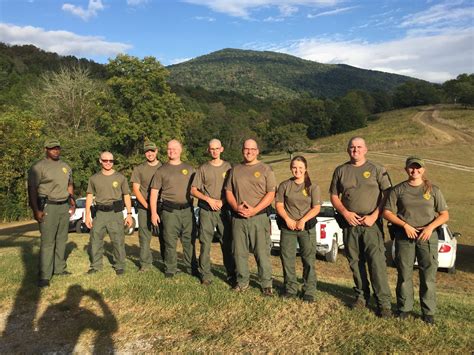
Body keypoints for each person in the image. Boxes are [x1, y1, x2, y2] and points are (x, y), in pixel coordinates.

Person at [329, 136, 392, 317]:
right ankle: (361, 297)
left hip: (371, 224)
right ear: (348, 150)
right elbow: (334, 196)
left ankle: (384, 303)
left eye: (358, 147)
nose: (355, 150)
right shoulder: (341, 170)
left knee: (377, 263)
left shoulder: (376, 169)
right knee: (355, 262)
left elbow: (387, 194)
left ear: (365, 149)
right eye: (352, 147)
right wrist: (345, 213)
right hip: (350, 224)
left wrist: (374, 215)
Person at [383, 156, 448, 325]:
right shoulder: (398, 190)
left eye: (418, 168)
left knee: (428, 275)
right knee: (404, 274)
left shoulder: (433, 190)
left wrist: (430, 228)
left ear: (423, 170)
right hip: (405, 236)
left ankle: (428, 311)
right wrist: (405, 225)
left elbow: (444, 214)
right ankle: (404, 308)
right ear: (406, 169)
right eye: (411, 167)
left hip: (427, 237)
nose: (415, 170)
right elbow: (387, 212)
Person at [225, 139, 276, 296]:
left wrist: (255, 210)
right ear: (242, 150)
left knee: (261, 252)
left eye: (252, 149)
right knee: (239, 252)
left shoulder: (266, 169)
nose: (249, 151)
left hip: (259, 218)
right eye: (246, 149)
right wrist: (236, 207)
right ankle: (242, 282)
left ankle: (266, 284)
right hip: (238, 218)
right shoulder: (235, 169)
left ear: (257, 151)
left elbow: (271, 193)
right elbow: (228, 192)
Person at [28, 139, 75, 288]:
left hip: (63, 206)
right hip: (48, 206)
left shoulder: (65, 166)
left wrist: (72, 201)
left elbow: (70, 185)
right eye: (52, 148)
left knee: (62, 239)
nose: (55, 151)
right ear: (46, 149)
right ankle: (45, 275)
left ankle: (59, 268)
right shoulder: (38, 167)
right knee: (48, 242)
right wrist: (36, 210)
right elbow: (32, 190)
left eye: (57, 148)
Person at [275, 156, 321, 303]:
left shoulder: (313, 187)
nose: (297, 170)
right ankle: (290, 289)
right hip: (288, 227)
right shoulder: (284, 185)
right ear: (291, 168)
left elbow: (316, 208)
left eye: (300, 168)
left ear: (306, 169)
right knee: (287, 259)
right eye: (294, 167)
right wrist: (288, 219)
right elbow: (279, 205)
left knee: (308, 260)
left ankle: (309, 290)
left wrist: (303, 220)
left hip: (306, 228)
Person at [191, 139, 236, 286]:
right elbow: (193, 190)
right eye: (212, 149)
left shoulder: (228, 167)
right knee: (205, 243)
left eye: (217, 148)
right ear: (208, 150)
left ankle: (231, 274)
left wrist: (223, 201)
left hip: (223, 209)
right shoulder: (203, 168)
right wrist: (208, 200)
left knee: (227, 243)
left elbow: (232, 189)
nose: (214, 151)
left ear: (222, 149)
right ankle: (205, 274)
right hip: (206, 210)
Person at [150, 139, 197, 277]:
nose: (172, 151)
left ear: (181, 150)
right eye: (169, 148)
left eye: (175, 148)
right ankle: (170, 269)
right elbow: (154, 193)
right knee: (170, 241)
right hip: (169, 211)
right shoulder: (161, 170)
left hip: (187, 210)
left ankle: (191, 267)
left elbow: (197, 189)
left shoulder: (190, 169)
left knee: (189, 240)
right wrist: (154, 213)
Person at [85, 151, 133, 275]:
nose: (108, 163)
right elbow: (89, 196)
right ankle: (96, 266)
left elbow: (126, 195)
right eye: (105, 160)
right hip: (99, 213)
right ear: (100, 161)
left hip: (115, 213)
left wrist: (129, 214)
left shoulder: (120, 178)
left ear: (113, 162)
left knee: (118, 240)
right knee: (95, 240)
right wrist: (87, 215)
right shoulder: (94, 178)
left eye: (110, 161)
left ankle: (120, 265)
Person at [130, 141, 162, 271]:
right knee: (144, 235)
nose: (150, 153)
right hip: (144, 207)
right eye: (147, 151)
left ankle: (168, 262)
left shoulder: (164, 167)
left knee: (165, 235)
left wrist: (155, 207)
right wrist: (148, 206)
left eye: (152, 151)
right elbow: (136, 190)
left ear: (157, 151)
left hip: (161, 207)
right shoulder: (139, 169)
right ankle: (145, 264)